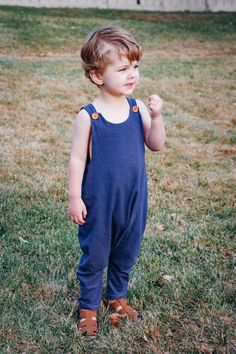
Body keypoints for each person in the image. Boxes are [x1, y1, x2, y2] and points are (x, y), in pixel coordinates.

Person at [68, 26, 165, 338]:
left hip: (134, 200)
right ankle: (87, 308)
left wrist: (157, 117)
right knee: (95, 255)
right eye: (122, 68)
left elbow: (156, 144)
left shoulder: (137, 109)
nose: (132, 74)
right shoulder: (89, 116)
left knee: (126, 252)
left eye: (135, 66)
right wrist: (75, 197)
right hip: (100, 202)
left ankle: (116, 298)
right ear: (98, 76)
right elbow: (77, 160)